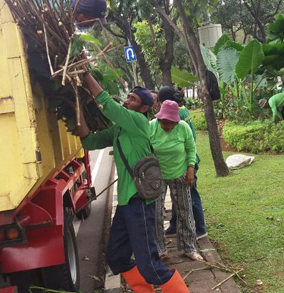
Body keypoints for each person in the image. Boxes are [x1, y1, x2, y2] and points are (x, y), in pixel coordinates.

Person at [77, 74, 189, 292]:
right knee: (116, 257)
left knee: (151, 267)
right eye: (127, 97)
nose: (127, 101)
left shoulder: (138, 122)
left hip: (139, 203)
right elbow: (90, 140)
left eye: (132, 99)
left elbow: (108, 106)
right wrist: (76, 109)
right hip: (127, 203)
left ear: (143, 108)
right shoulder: (119, 129)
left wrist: (85, 73)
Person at [150, 100, 203, 262]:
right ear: (159, 119)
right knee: (157, 214)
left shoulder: (183, 127)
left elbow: (191, 148)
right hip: (157, 175)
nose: (168, 126)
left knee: (185, 211)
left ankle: (188, 247)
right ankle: (160, 249)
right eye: (165, 123)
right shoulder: (151, 127)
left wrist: (190, 170)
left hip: (180, 172)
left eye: (172, 123)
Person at [157, 86, 207, 240]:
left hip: (186, 162)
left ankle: (200, 228)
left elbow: (189, 143)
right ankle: (174, 224)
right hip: (183, 161)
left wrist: (189, 166)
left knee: (190, 196)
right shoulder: (182, 109)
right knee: (176, 196)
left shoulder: (177, 114)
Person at [19, 0, 107, 28]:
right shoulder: (57, 12)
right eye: (92, 21)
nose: (91, 25)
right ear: (85, 16)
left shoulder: (73, 0)